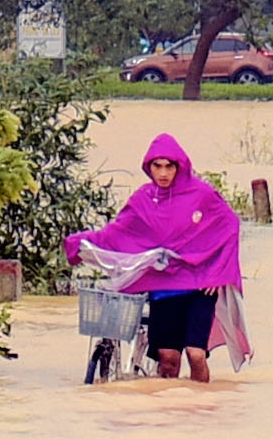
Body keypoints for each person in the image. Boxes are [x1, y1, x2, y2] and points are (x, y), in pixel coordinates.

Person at [66, 134, 245, 386]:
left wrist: (219, 274)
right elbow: (116, 233)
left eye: (169, 166)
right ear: (148, 167)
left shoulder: (202, 193)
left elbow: (230, 226)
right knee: (168, 360)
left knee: (196, 354)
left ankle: (201, 403)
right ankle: (168, 404)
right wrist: (79, 243)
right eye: (157, 166)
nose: (163, 173)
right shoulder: (142, 199)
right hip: (163, 288)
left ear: (179, 167)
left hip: (200, 286)